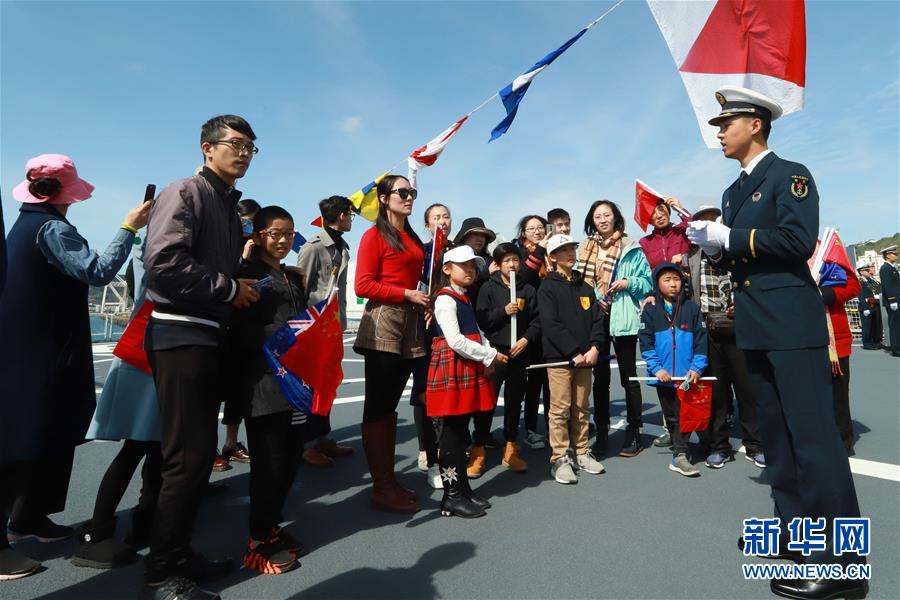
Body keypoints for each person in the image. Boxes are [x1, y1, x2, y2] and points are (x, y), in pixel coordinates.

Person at [687, 86, 867, 600]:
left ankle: (844, 566)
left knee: (815, 441)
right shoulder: (732, 193)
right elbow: (741, 261)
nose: (719, 133)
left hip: (791, 321)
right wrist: (714, 248)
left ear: (756, 124)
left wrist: (731, 238)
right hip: (756, 325)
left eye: (726, 123)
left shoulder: (790, 175)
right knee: (777, 440)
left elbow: (796, 241)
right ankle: (795, 535)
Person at [0, 154, 149, 581]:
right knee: (20, 440)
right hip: (38, 352)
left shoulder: (27, 224)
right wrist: (128, 228)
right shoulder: (52, 228)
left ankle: (29, 517)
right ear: (66, 193)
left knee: (44, 434)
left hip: (31, 348)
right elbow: (97, 271)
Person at [143, 114, 260, 598]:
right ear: (207, 148)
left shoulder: (226, 204)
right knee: (187, 458)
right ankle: (161, 574)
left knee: (195, 456)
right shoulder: (185, 192)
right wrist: (229, 288)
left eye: (251, 147)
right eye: (235, 143)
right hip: (180, 332)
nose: (244, 153)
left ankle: (179, 555)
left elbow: (220, 267)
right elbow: (163, 262)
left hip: (206, 334)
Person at [72, 243, 162, 570]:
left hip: (156, 355)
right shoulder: (152, 249)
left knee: (156, 448)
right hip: (150, 357)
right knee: (138, 446)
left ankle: (141, 521)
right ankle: (100, 529)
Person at [231, 205, 308, 575]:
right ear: (258, 235)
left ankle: (271, 525)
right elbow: (240, 329)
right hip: (263, 382)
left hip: (295, 384)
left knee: (290, 459)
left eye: (288, 233)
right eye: (275, 233)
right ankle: (257, 541)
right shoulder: (248, 276)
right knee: (269, 463)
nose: (282, 240)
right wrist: (285, 337)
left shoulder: (290, 278)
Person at [353, 175, 427, 514]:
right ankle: (382, 486)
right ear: (383, 198)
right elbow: (363, 285)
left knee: (390, 404)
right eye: (402, 192)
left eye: (412, 192)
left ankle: (388, 481)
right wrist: (406, 293)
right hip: (383, 321)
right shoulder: (374, 236)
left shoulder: (410, 237)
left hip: (410, 323)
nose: (409, 197)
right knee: (378, 405)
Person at [427, 245, 506, 517]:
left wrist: (488, 350)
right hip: (453, 368)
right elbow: (455, 340)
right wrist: (489, 354)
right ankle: (451, 495)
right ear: (447, 269)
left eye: (473, 265)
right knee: (451, 433)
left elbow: (477, 332)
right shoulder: (445, 299)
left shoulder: (463, 297)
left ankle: (462, 488)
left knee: (461, 432)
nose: (470, 270)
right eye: (464, 265)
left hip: (466, 367)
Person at [683, 205, 763, 470]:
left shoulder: (736, 251)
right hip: (706, 329)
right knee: (715, 392)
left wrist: (743, 303)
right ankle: (719, 446)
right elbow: (681, 291)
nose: (708, 224)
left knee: (746, 388)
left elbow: (752, 283)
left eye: (712, 219)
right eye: (702, 221)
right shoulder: (690, 258)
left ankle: (756, 444)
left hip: (738, 326)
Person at [576, 200, 652, 457]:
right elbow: (577, 282)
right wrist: (597, 297)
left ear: (616, 218)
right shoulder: (585, 247)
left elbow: (647, 283)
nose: (602, 220)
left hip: (623, 317)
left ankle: (634, 430)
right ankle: (603, 431)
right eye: (597, 216)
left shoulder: (631, 247)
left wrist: (628, 282)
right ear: (592, 221)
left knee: (629, 377)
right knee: (600, 378)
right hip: (595, 318)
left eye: (606, 215)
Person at [539, 234, 607, 485]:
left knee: (581, 407)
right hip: (560, 359)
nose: (570, 253)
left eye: (572, 248)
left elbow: (597, 320)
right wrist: (573, 352)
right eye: (563, 249)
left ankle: (582, 452)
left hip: (586, 359)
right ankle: (559, 458)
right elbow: (550, 324)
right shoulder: (547, 287)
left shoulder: (585, 287)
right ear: (552, 257)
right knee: (559, 410)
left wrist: (595, 347)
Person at [295, 195, 355, 467]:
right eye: (350, 215)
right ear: (341, 215)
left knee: (329, 383)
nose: (352, 220)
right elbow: (302, 289)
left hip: (333, 326)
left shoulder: (342, 246)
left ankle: (324, 437)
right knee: (312, 386)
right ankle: (307, 445)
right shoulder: (314, 247)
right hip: (315, 327)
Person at [638, 262, 709, 477]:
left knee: (683, 414)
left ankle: (680, 455)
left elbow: (701, 341)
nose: (673, 284)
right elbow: (646, 342)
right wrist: (657, 369)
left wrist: (696, 368)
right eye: (667, 280)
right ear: (657, 284)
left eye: (676, 279)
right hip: (664, 376)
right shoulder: (650, 309)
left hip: (687, 376)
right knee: (670, 415)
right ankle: (681, 445)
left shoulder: (691, 308)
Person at [475, 242, 541, 474]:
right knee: (487, 401)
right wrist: (503, 311)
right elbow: (482, 319)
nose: (512, 265)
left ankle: (511, 446)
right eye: (506, 261)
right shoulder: (488, 288)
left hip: (519, 353)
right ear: (498, 264)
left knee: (514, 401)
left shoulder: (527, 289)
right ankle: (478, 447)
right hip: (495, 353)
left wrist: (526, 340)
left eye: (515, 260)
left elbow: (537, 321)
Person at [216, 198, 263, 470]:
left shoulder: (257, 246)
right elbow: (223, 276)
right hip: (221, 325)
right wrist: (243, 257)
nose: (250, 226)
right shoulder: (225, 241)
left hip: (244, 326)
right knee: (211, 393)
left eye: (254, 222)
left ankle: (231, 443)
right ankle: (207, 450)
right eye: (247, 221)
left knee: (238, 392)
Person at [409, 203, 453, 488]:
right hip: (426, 329)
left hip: (454, 329)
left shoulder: (459, 251)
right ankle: (427, 450)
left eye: (446, 216)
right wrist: (426, 304)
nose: (442, 221)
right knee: (424, 390)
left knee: (451, 390)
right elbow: (416, 284)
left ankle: (450, 447)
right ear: (427, 225)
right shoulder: (422, 252)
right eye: (435, 218)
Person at [515, 214, 553, 449]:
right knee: (534, 380)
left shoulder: (553, 251)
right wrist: (540, 250)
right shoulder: (520, 253)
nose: (537, 231)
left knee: (553, 380)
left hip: (553, 322)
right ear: (523, 233)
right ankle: (530, 428)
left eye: (540, 227)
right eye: (531, 228)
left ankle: (553, 427)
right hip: (532, 322)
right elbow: (525, 277)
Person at [818, 256, 861, 454]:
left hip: (834, 339)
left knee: (838, 394)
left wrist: (823, 294)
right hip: (797, 338)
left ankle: (842, 441)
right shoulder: (785, 250)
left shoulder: (829, 250)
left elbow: (853, 285)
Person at [638, 197, 692, 270]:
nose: (659, 216)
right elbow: (644, 272)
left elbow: (700, 231)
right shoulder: (644, 243)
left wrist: (681, 210)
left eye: (661, 209)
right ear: (649, 220)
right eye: (652, 213)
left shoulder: (683, 230)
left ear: (668, 210)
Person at [879, 246, 900, 357]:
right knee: (895, 325)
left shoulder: (892, 268)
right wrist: (892, 300)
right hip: (893, 301)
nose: (896, 256)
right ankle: (895, 349)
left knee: (898, 324)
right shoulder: (885, 268)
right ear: (888, 255)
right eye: (894, 254)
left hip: (897, 300)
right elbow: (888, 285)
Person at [857, 265, 883, 349]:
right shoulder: (860, 282)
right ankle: (867, 343)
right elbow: (861, 295)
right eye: (867, 271)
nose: (869, 272)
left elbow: (875, 290)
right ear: (861, 272)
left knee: (873, 325)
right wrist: (865, 308)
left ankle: (875, 342)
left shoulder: (869, 281)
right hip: (866, 307)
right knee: (867, 326)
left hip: (873, 305)